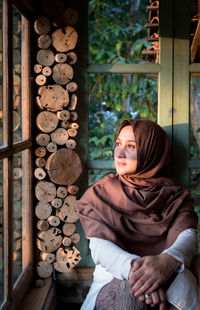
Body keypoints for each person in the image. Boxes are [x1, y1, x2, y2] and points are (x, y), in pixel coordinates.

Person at [77, 119, 199, 310]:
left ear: (152, 152)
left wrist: (165, 263)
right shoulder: (99, 194)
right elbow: (100, 246)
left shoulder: (176, 195)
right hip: (115, 275)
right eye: (118, 144)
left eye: (131, 146)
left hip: (172, 273)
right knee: (129, 299)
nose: (119, 153)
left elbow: (187, 236)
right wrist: (140, 273)